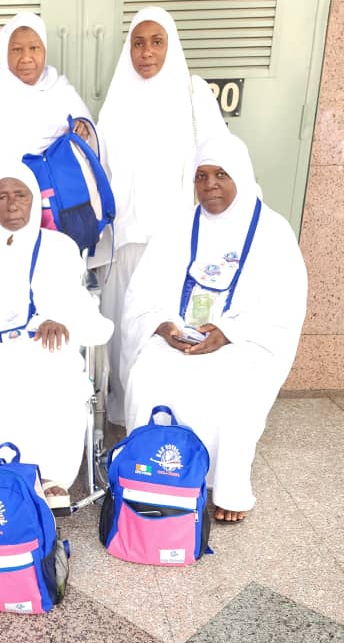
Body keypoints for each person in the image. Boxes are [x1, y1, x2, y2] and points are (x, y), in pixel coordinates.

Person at [120, 134, 307, 521]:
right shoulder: (177, 227)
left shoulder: (273, 232)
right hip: (179, 336)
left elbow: (283, 305)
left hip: (243, 340)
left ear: (241, 175)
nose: (210, 185)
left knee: (233, 384)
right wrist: (164, 326)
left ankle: (227, 487)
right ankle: (150, 476)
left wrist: (226, 333)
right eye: (201, 176)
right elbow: (143, 292)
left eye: (221, 174)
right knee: (148, 374)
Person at [0, 163, 114, 504]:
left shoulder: (59, 245)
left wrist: (58, 318)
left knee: (54, 366)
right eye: (1, 197)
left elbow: (73, 298)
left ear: (34, 200)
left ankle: (49, 473)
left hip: (39, 340)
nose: (11, 205)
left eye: (20, 195)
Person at [97, 6, 228, 424]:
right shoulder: (116, 101)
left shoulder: (193, 97)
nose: (146, 52)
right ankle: (126, 411)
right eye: (138, 43)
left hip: (175, 240)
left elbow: (219, 157)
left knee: (169, 325)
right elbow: (102, 170)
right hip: (126, 240)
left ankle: (166, 415)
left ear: (171, 46)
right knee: (125, 325)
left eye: (156, 42)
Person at [0, 12, 94, 216]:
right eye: (17, 50)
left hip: (59, 203)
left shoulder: (58, 87)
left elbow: (89, 135)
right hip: (7, 203)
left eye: (34, 48)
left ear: (44, 51)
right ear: (5, 52)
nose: (26, 57)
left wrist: (82, 128)